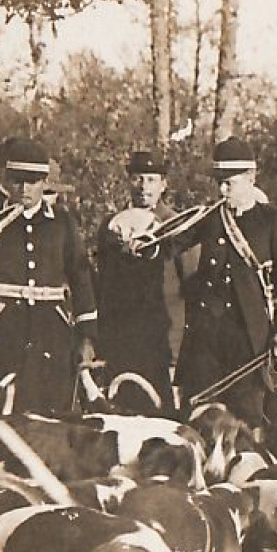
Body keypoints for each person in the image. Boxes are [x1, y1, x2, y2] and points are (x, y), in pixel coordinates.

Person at [173, 137, 277, 437]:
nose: (221, 190)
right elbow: (172, 243)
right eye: (218, 182)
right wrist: (142, 244)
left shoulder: (272, 220)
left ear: (251, 178)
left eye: (228, 183)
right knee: (200, 416)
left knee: (246, 420)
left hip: (249, 341)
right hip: (206, 339)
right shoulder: (211, 217)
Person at [0, 137, 97, 415]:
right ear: (6, 181)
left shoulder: (62, 223)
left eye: (32, 181)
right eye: (17, 180)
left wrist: (87, 338)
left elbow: (81, 277)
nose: (24, 188)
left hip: (51, 331)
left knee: (50, 411)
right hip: (0, 328)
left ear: (44, 182)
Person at [96, 149, 178, 406]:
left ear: (163, 184)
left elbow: (189, 284)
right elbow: (104, 281)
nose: (144, 187)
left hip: (159, 336)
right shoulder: (111, 225)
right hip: (119, 334)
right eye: (138, 178)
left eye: (152, 180)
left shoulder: (176, 225)